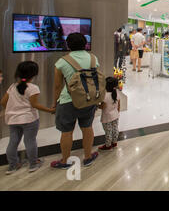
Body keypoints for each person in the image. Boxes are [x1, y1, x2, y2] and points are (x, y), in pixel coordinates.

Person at [51, 33, 100, 169]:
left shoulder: (62, 62)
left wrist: (54, 103)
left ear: (68, 44)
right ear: (85, 44)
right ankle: (88, 157)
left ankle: (65, 161)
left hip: (68, 101)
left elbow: (57, 86)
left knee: (66, 132)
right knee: (87, 128)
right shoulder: (93, 58)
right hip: (88, 99)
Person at [0, 61, 55, 174]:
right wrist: (50, 110)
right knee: (30, 141)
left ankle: (12, 166)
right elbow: (34, 105)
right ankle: (33, 164)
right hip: (29, 119)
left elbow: (3, 102)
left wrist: (12, 110)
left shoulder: (12, 87)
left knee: (13, 142)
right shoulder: (33, 88)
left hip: (13, 120)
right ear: (34, 74)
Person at [98, 77, 120, 151]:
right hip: (115, 115)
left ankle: (108, 145)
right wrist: (117, 112)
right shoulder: (116, 92)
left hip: (107, 117)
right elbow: (119, 105)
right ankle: (114, 142)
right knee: (115, 129)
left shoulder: (105, 95)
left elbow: (102, 106)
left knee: (108, 131)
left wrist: (96, 105)